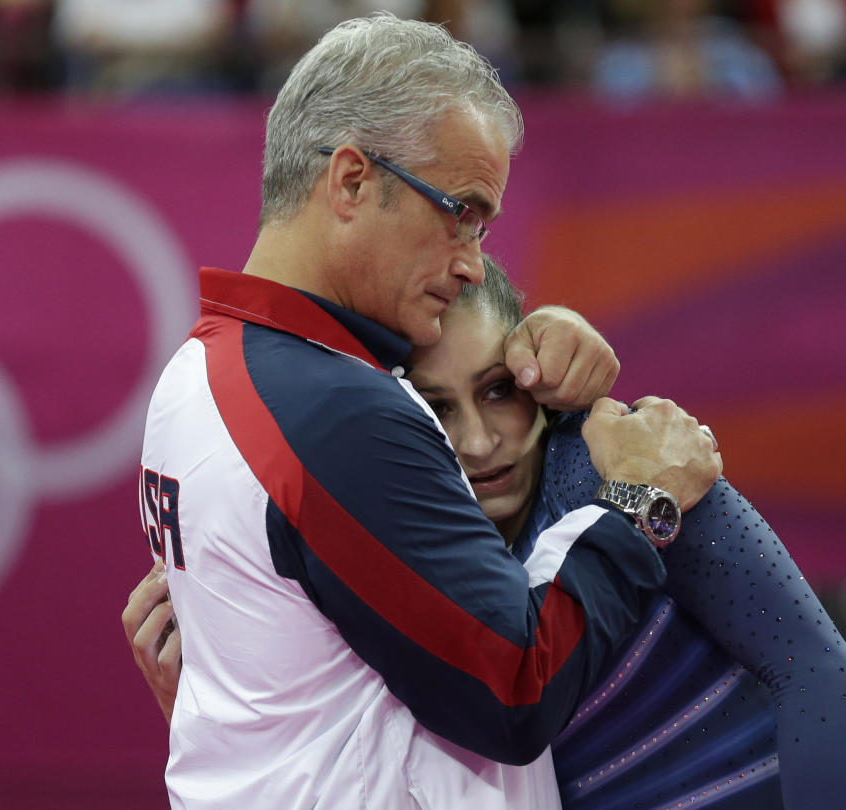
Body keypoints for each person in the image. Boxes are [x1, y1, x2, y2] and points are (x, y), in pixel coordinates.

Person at [138, 14, 721, 809]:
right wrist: (638, 502)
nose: (470, 260)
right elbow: (514, 690)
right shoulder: (338, 411)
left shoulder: (198, 369)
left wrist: (550, 336)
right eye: (461, 212)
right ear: (350, 180)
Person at [128, 257, 846, 808]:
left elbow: (815, 669)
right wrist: (209, 707)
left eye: (497, 390)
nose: (477, 442)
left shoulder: (621, 465)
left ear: (537, 377)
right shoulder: (371, 547)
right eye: (434, 408)